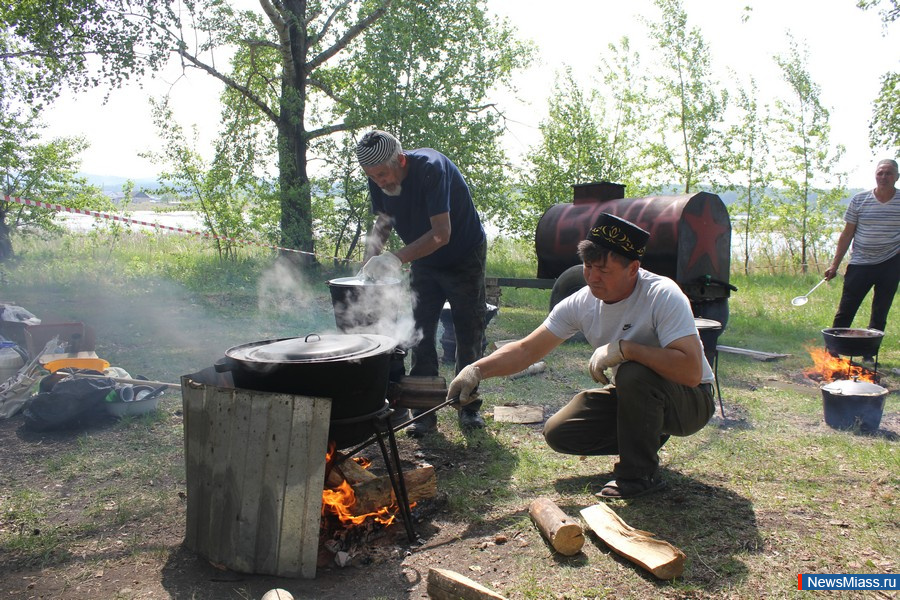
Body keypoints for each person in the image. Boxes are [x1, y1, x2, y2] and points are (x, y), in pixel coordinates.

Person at [447, 213, 716, 499]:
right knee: (561, 431)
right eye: (588, 266)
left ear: (633, 268)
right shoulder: (581, 302)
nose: (592, 277)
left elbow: (690, 371)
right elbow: (527, 349)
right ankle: (645, 437)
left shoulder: (662, 294)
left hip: (690, 399)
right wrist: (475, 370)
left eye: (604, 270)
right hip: (638, 397)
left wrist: (627, 349)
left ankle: (639, 476)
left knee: (632, 371)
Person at [355, 130, 488, 435]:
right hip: (425, 258)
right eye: (372, 177)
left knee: (468, 330)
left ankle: (468, 407)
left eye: (383, 174)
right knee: (420, 332)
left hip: (464, 255)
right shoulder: (379, 179)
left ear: (401, 160)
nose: (379, 182)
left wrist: (395, 258)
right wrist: (367, 267)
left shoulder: (431, 168)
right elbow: (382, 224)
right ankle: (424, 411)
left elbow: (441, 234)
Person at [824, 159, 900, 345]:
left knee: (880, 311)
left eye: (888, 173)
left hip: (891, 263)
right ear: (875, 175)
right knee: (846, 308)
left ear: (897, 176)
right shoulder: (859, 200)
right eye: (880, 173)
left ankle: (869, 353)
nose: (883, 177)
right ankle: (833, 351)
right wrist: (834, 265)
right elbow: (847, 233)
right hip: (860, 263)